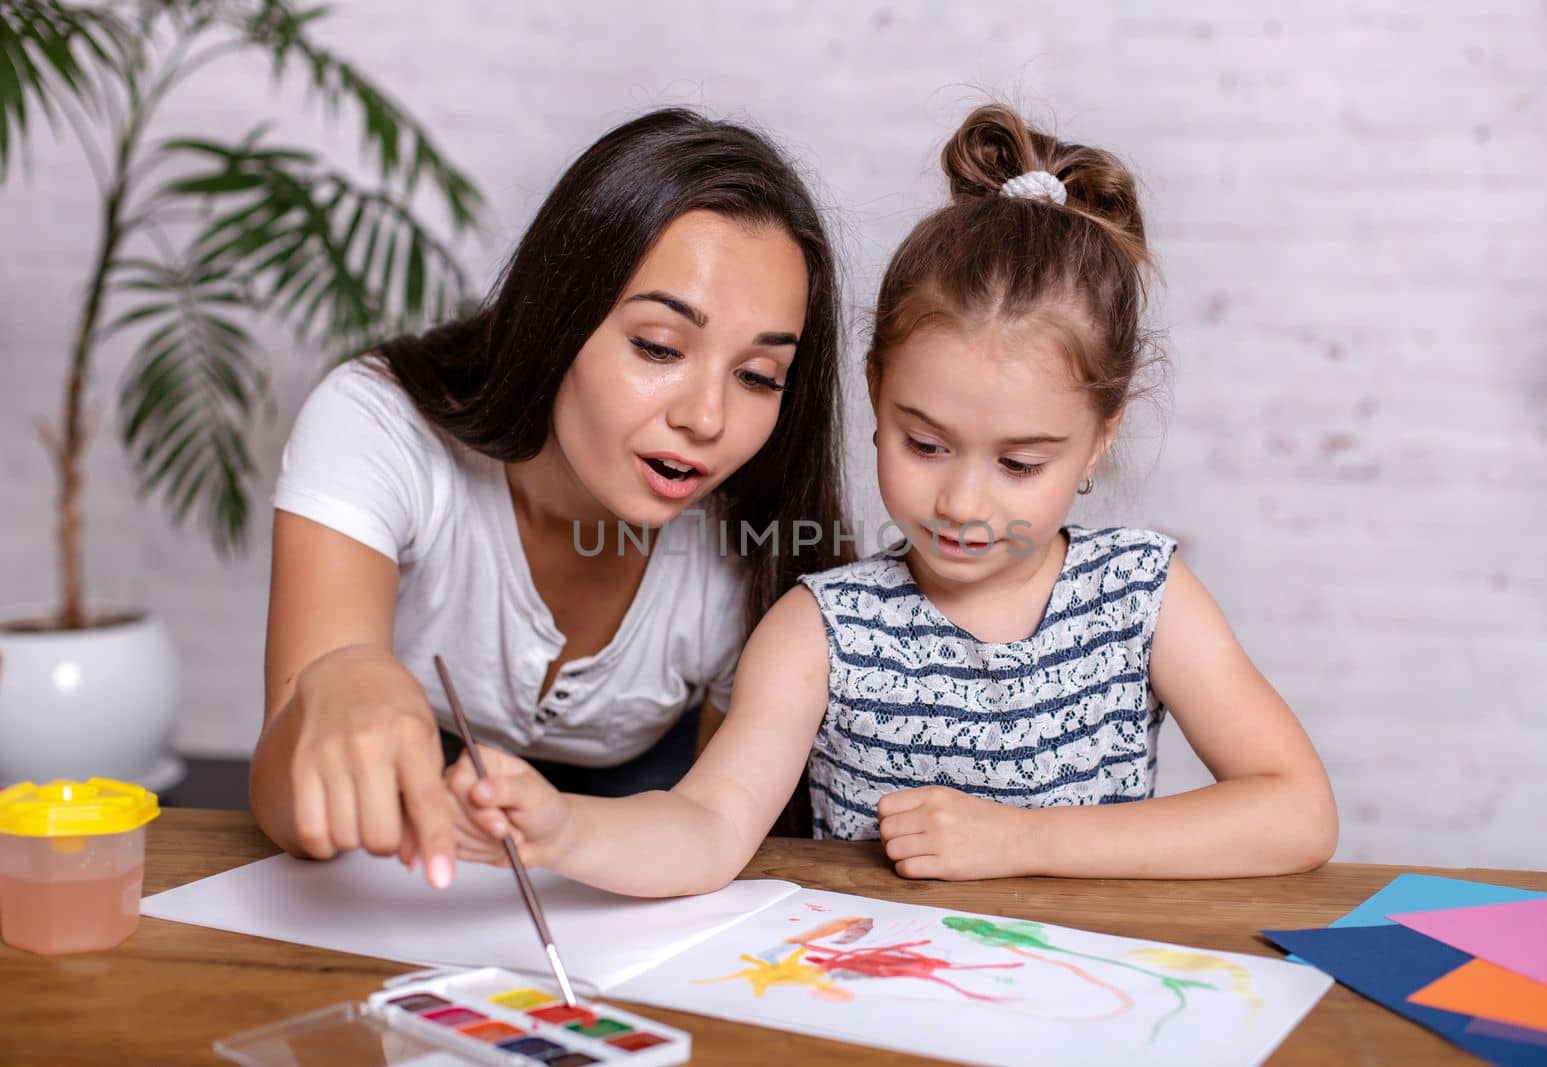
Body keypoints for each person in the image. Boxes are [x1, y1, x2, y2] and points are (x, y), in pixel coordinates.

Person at [444, 103, 1339, 892]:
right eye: (925, 443)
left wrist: (1021, 840)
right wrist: (566, 828)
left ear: (1101, 436)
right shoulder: (819, 629)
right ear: (875, 394)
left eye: (1020, 463)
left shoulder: (1144, 597)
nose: (960, 498)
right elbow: (709, 826)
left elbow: (1296, 812)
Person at [250, 108, 850, 889]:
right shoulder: (378, 426)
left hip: (635, 859)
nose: (706, 417)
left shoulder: (758, 542)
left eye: (758, 376)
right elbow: (285, 809)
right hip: (404, 872)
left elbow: (717, 830)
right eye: (659, 347)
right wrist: (339, 678)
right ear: (557, 313)